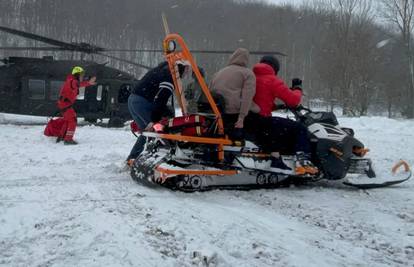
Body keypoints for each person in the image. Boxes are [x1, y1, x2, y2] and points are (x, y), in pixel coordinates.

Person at [251, 55, 318, 175]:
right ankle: (302, 161)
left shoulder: (251, 77)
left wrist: (276, 106)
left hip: (250, 119)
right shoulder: (271, 79)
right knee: (300, 128)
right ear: (275, 68)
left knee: (280, 126)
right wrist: (297, 89)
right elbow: (293, 100)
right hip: (262, 120)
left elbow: (259, 99)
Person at [126, 61, 188, 165]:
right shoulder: (170, 75)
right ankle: (151, 161)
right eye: (185, 70)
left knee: (147, 133)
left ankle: (133, 159)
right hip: (142, 102)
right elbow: (162, 97)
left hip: (133, 100)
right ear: (180, 68)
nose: (185, 74)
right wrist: (156, 119)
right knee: (154, 131)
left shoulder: (162, 70)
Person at [210, 48, 256, 139]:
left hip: (216, 111)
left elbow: (210, 90)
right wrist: (241, 118)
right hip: (233, 113)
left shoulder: (219, 72)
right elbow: (247, 97)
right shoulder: (248, 74)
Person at [57, 66, 96, 145]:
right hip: (65, 105)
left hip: (64, 104)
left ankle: (62, 137)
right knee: (73, 120)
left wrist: (88, 82)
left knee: (68, 120)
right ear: (77, 75)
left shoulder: (70, 81)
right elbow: (78, 84)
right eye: (81, 75)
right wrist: (88, 82)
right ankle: (68, 139)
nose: (82, 77)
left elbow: (78, 85)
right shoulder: (72, 81)